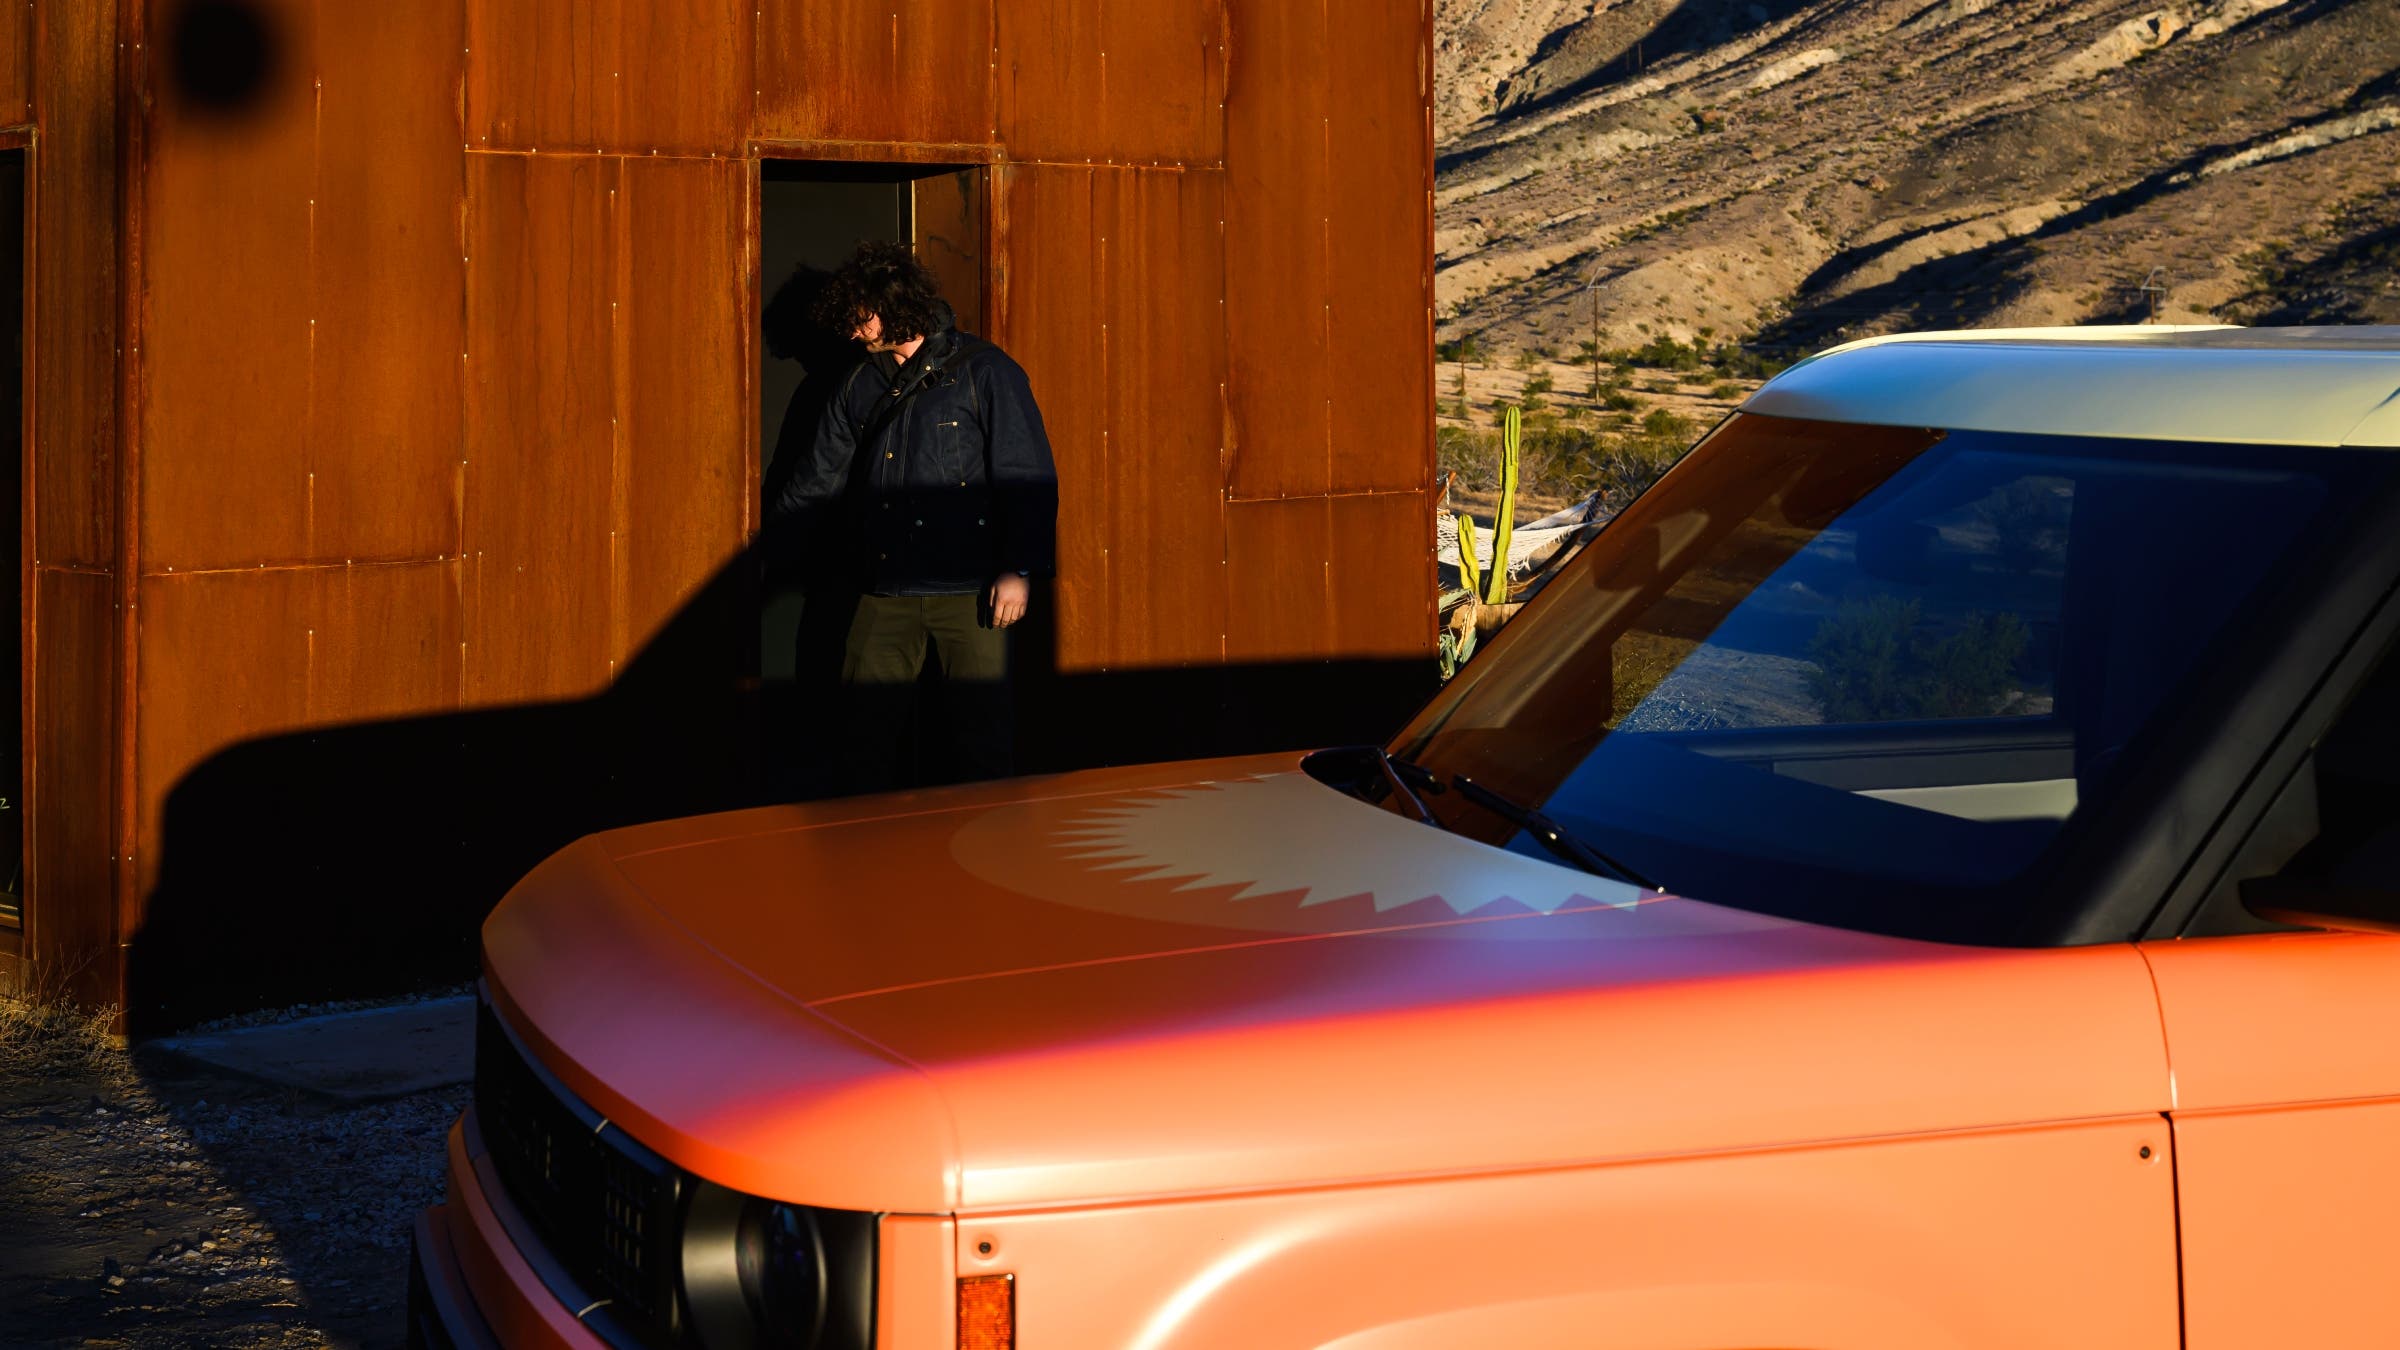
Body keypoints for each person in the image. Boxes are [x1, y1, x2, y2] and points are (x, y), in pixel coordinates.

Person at [766, 241, 1059, 793]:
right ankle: (863, 856)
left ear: (894, 303)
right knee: (862, 738)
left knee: (980, 739)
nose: (854, 332)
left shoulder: (985, 371)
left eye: (862, 317)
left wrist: (1017, 568)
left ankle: (988, 852)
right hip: (884, 588)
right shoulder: (859, 383)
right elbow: (817, 479)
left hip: (969, 591)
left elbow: (1026, 475)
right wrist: (768, 555)